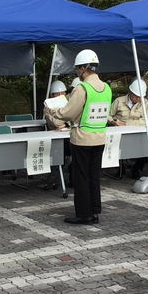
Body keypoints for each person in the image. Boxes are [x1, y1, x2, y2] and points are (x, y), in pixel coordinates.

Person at [46, 50, 111, 224]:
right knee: (94, 176)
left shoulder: (83, 88)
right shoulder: (106, 88)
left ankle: (84, 214)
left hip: (82, 138)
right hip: (100, 137)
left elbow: (69, 112)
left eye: (77, 69)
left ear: (83, 68)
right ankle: (94, 211)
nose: (77, 72)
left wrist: (53, 111)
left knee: (81, 177)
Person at [109, 78, 148, 178]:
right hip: (119, 133)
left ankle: (136, 169)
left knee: (146, 147)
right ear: (130, 92)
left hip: (137, 132)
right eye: (136, 96)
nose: (138, 99)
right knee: (116, 147)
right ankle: (120, 168)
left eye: (140, 97)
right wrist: (113, 122)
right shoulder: (119, 101)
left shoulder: (145, 103)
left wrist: (127, 124)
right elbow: (108, 114)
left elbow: (145, 120)